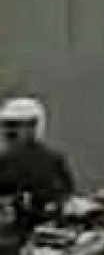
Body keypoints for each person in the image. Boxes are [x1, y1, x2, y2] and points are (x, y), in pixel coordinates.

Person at [0, 97, 75, 230]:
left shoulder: (52, 160)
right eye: (5, 125)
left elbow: (66, 196)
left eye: (14, 125)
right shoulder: (4, 160)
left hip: (41, 230)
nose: (8, 131)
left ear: (34, 126)